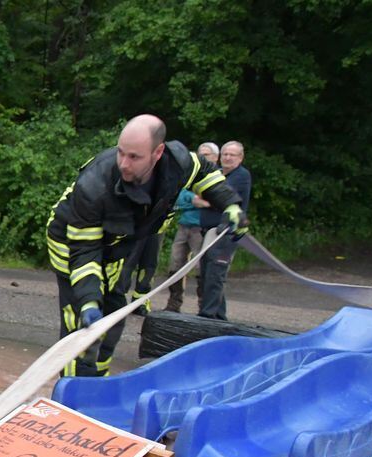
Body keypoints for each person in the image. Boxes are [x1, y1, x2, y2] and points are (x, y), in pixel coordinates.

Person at [46, 115, 246, 377]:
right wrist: (87, 301)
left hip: (117, 246)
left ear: (158, 152)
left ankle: (100, 381)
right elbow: (84, 253)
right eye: (121, 153)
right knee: (82, 329)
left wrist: (230, 205)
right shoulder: (94, 187)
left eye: (134, 157)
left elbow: (206, 176)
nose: (124, 164)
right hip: (69, 243)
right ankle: (73, 391)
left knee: (113, 314)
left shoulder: (177, 162)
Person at [195, 140, 253, 319]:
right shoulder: (218, 174)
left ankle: (207, 316)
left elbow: (219, 198)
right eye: (225, 154)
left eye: (232, 155)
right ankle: (219, 318)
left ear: (240, 158)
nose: (227, 158)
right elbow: (202, 196)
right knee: (206, 275)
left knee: (215, 275)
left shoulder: (241, 176)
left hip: (226, 234)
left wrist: (208, 199)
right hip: (209, 232)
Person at [164, 141, 219, 312]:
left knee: (201, 268)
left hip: (202, 229)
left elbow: (214, 201)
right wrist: (194, 200)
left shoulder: (217, 177)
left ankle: (204, 306)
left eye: (206, 154)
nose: (202, 157)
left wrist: (202, 201)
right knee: (175, 265)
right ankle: (174, 304)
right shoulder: (191, 175)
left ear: (215, 158)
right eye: (199, 154)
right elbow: (179, 196)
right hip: (184, 224)